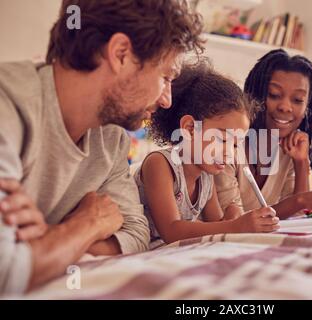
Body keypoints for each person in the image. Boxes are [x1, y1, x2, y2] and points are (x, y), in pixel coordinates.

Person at [0, 0, 203, 294]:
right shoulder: (8, 106)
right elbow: (6, 271)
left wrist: (47, 238)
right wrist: (86, 224)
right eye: (165, 77)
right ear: (121, 54)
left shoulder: (112, 137)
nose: (167, 100)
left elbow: (136, 235)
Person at [135, 62, 279, 246]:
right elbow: (172, 231)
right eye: (222, 140)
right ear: (189, 129)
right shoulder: (159, 164)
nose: (229, 153)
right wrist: (235, 226)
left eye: (235, 145)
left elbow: (217, 225)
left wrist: (232, 213)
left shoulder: (205, 177)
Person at [215, 49, 312, 220]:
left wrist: (301, 162)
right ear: (255, 96)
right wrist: (302, 200)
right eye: (274, 95)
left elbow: (294, 217)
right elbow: (233, 221)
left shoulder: (288, 151)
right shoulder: (227, 144)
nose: (285, 107)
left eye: (297, 100)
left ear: (307, 108)